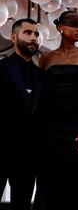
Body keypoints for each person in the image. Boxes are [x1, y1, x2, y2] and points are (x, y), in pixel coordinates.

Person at [34, 11, 78, 210]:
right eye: (73, 24)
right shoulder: (46, 58)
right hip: (51, 130)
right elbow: (42, 98)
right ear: (60, 27)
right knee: (50, 182)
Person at [0, 18, 41, 210]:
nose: (33, 37)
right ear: (14, 37)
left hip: (29, 155)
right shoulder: (1, 69)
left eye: (36, 34)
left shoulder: (42, 75)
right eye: (28, 33)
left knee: (22, 206)